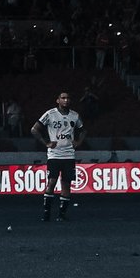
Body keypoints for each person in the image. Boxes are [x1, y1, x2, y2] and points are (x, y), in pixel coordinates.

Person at [32, 91, 83, 223]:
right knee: (51, 182)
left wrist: (78, 142)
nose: (66, 100)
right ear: (58, 100)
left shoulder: (75, 115)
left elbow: (83, 130)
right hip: (54, 155)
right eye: (63, 98)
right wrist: (46, 143)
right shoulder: (50, 114)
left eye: (68, 98)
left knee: (66, 185)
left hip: (69, 155)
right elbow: (34, 129)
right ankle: (46, 213)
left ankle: (62, 214)